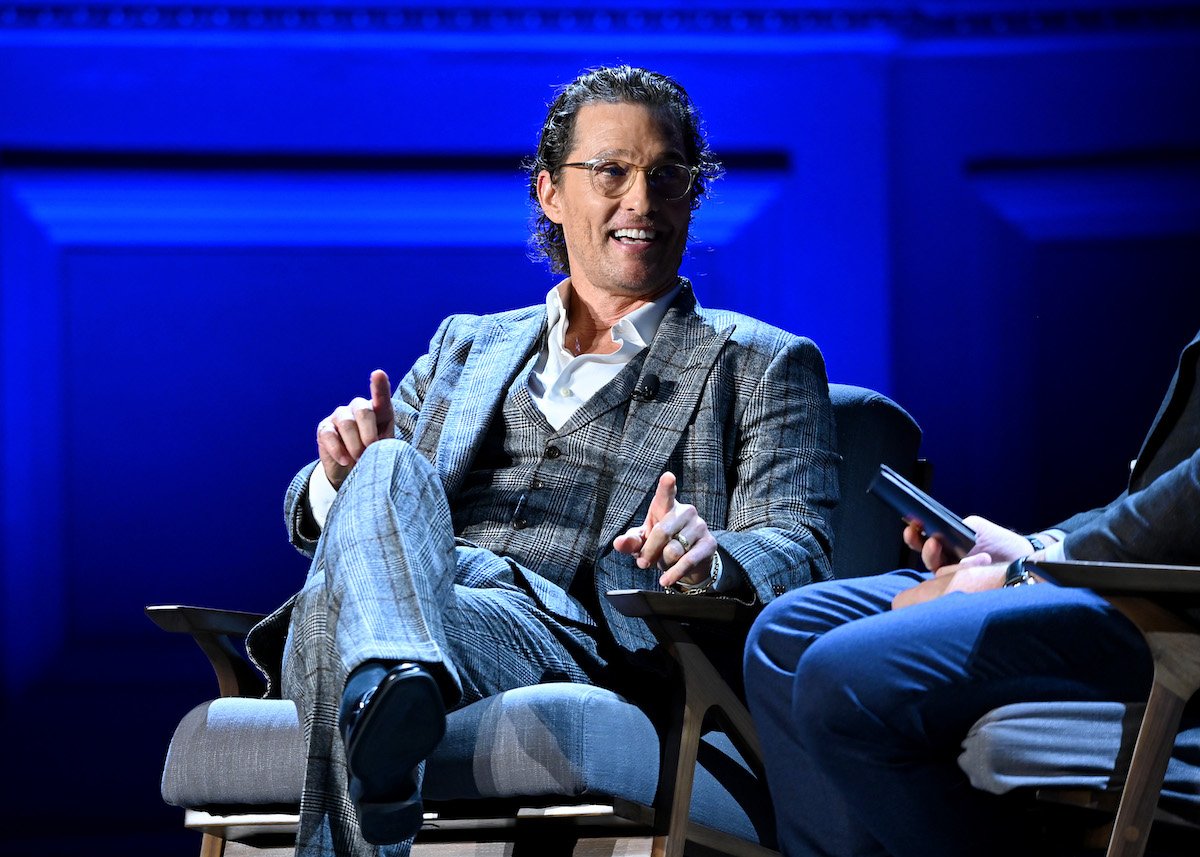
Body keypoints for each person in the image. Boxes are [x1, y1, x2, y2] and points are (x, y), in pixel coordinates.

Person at [245, 65, 840, 857]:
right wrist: (337, 477)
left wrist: (710, 559)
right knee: (387, 472)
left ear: (692, 196)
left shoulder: (762, 362)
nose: (642, 201)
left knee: (331, 615)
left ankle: (384, 690)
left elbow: (801, 544)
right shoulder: (466, 344)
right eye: (612, 172)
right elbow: (313, 512)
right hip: (435, 601)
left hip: (573, 633)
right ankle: (390, 694)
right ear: (550, 193)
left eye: (668, 177)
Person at [743, 327, 1200, 857]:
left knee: (842, 676)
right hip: (1126, 576)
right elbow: (1158, 494)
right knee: (790, 631)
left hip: (1171, 609)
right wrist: (1031, 546)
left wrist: (1028, 572)